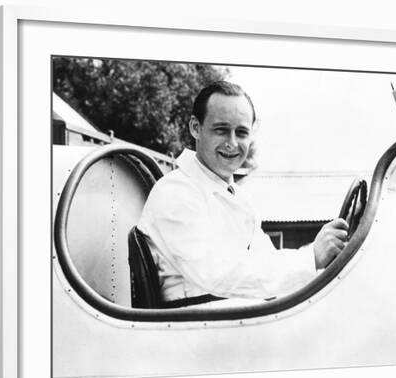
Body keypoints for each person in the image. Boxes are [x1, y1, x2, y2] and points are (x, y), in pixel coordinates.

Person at [137, 81, 349, 308]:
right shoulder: (175, 193)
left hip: (228, 318)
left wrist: (319, 253)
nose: (232, 143)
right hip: (195, 326)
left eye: (241, 132)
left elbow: (265, 262)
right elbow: (217, 275)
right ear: (195, 128)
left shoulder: (238, 197)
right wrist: (310, 258)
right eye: (221, 130)